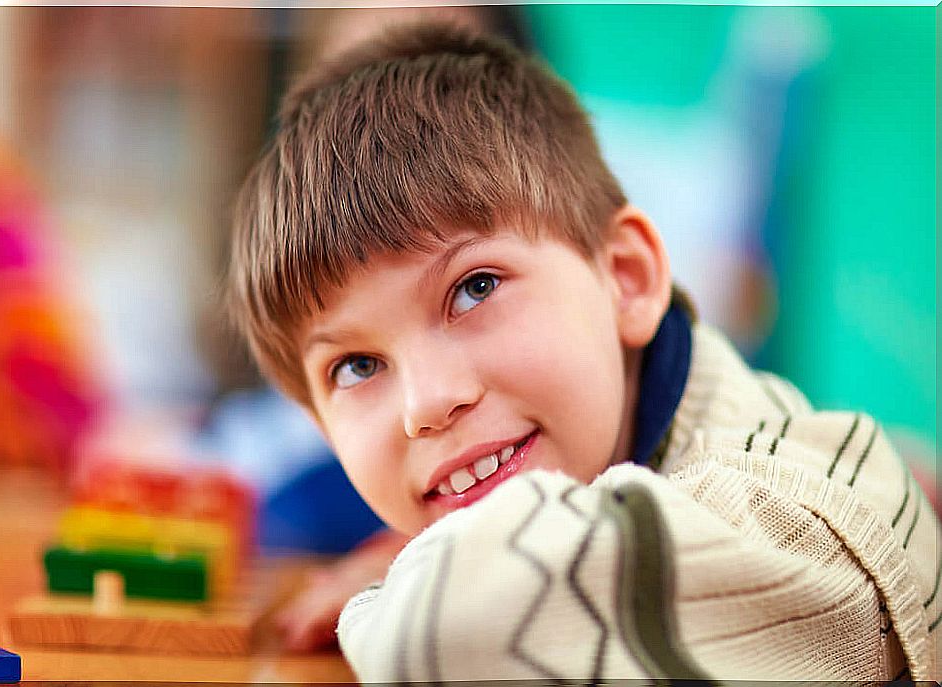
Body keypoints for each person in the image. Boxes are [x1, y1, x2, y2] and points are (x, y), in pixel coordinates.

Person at [228, 22, 940, 681]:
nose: (426, 402)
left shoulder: (784, 509)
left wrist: (395, 587)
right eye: (355, 366)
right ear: (319, 423)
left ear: (626, 279)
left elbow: (450, 625)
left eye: (474, 288)